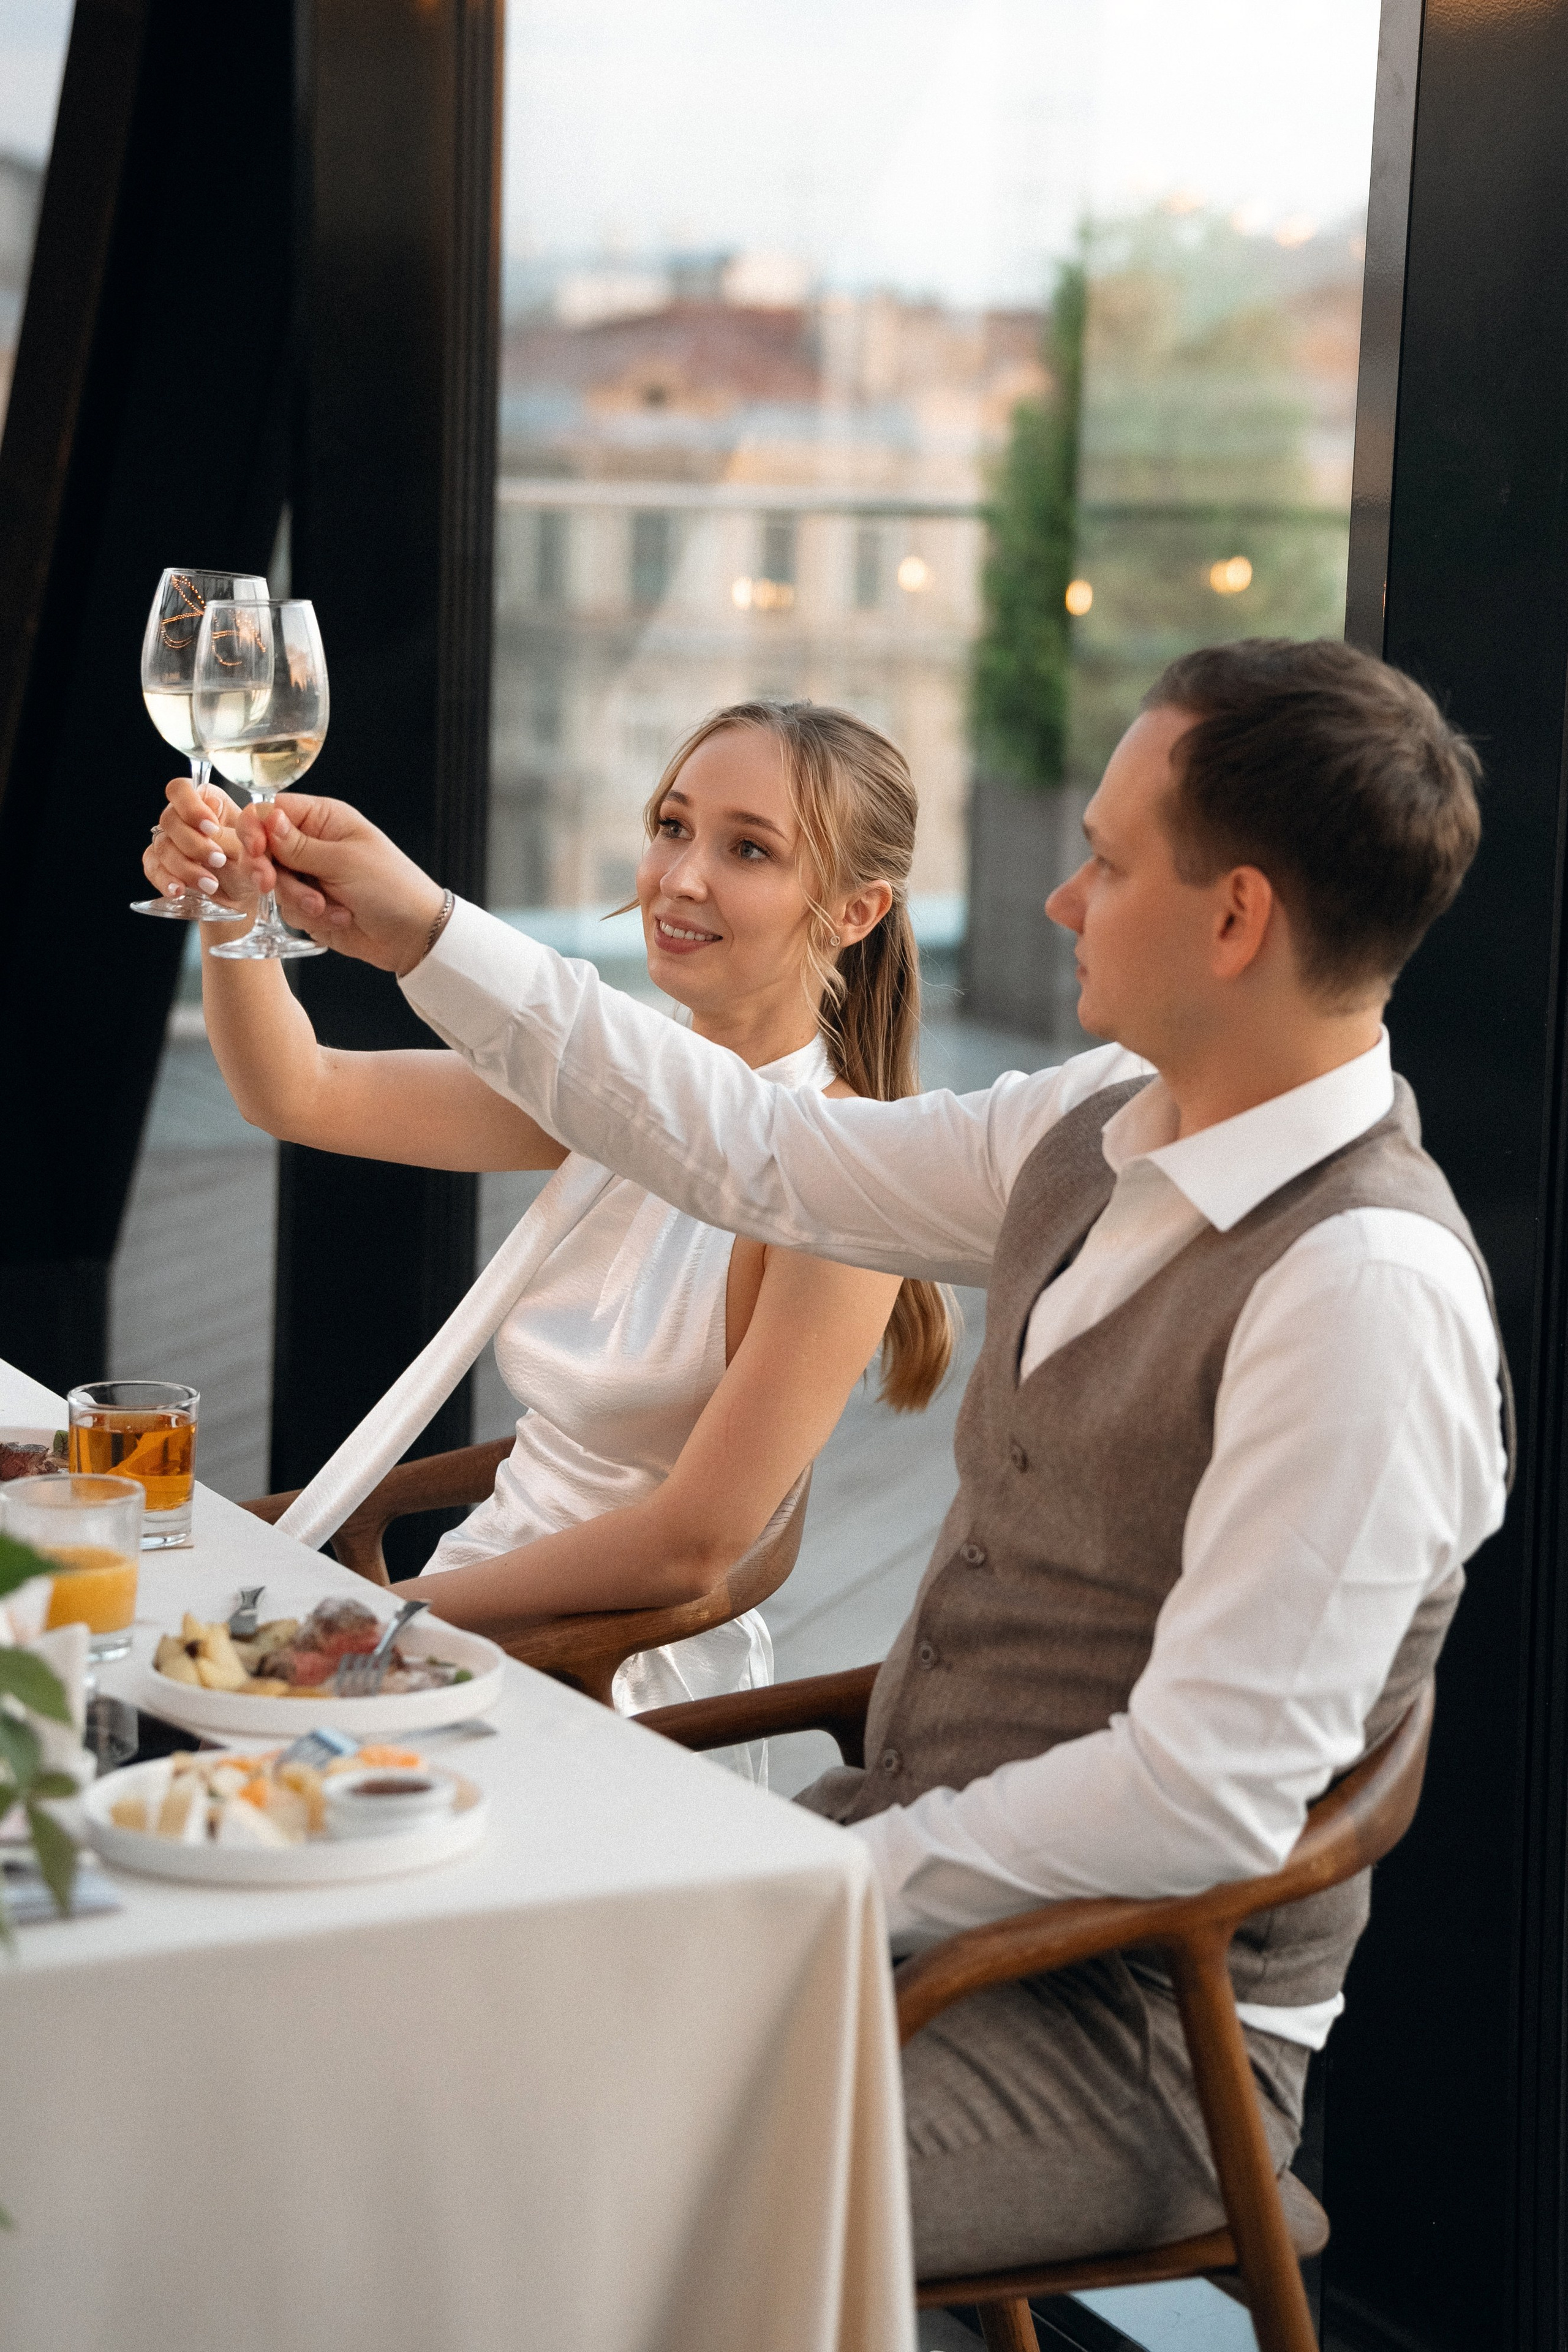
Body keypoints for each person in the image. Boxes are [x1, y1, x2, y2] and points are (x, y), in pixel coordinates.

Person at [194, 636, 1509, 2274]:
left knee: (520, 2157)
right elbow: (759, 1146)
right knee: (399, 2049)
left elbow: (1201, 1798)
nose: (1060, 900)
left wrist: (814, 1883)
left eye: (1104, 861)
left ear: (1235, 918)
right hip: (897, 1889)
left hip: (1131, 2023)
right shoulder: (1099, 1122)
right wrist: (427, 930)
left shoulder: (1363, 1294)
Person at [144, 701, 952, 1746]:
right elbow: (296, 1092)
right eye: (673, 826)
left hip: (605, 1677)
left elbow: (691, 1547)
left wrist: (380, 1624)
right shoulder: (619, 1087)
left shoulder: (841, 1185)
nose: (682, 877)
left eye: (748, 849)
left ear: (855, 911)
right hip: (470, 1611)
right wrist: (233, 910)